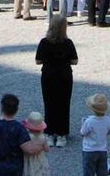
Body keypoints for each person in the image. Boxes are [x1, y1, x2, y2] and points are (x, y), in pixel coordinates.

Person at [35, 14, 78, 147]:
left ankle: (49, 132)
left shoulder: (44, 42)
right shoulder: (68, 43)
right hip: (64, 75)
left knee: (49, 103)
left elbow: (38, 60)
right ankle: (61, 134)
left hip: (48, 75)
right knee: (63, 104)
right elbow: (74, 61)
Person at [0, 93, 48, 176]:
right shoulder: (18, 128)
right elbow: (29, 150)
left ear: (2, 107)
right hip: (12, 170)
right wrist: (42, 146)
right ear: (17, 109)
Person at [80, 94, 110, 176]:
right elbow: (108, 132)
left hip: (89, 150)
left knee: (88, 172)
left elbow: (83, 133)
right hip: (102, 150)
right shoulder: (108, 120)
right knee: (102, 172)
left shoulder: (89, 121)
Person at [22, 111, 52, 176]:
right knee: (39, 171)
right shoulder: (43, 138)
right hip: (39, 158)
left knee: (28, 170)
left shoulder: (27, 136)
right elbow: (47, 149)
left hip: (28, 159)